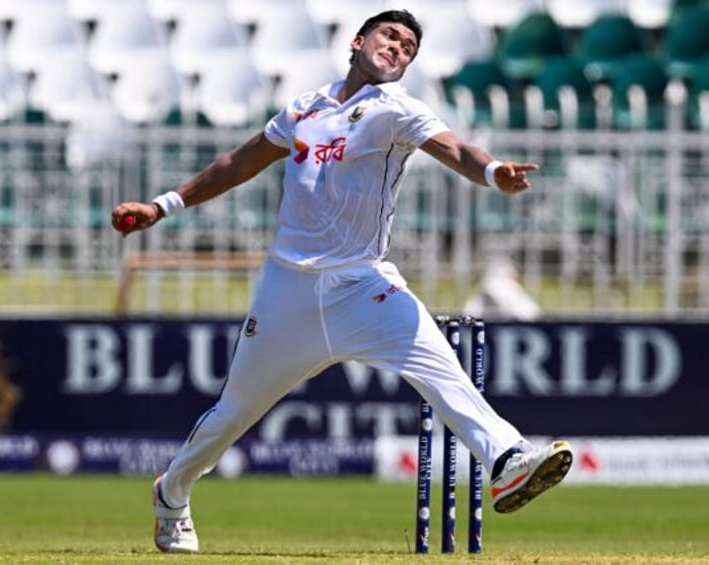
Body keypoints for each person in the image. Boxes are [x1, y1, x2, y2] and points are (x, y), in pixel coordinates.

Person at [111, 9, 573, 554]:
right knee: (232, 415)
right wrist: (162, 206)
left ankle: (506, 459)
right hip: (289, 293)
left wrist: (494, 172)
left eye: (408, 47)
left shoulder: (397, 111)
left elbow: (457, 151)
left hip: (363, 286)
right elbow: (239, 162)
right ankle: (173, 493)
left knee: (441, 367)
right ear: (358, 41)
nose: (399, 48)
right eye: (390, 36)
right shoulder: (304, 109)